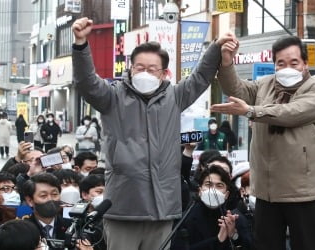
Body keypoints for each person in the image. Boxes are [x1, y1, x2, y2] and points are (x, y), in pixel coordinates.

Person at [71, 16, 235, 250]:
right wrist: (80, 45)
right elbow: (86, 82)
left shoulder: (176, 96)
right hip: (123, 207)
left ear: (163, 73)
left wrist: (215, 47)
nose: (145, 73)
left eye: (151, 69)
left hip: (162, 208)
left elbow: (200, 77)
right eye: (140, 67)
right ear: (131, 67)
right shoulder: (112, 96)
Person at [211, 35, 315, 250]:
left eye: (294, 62)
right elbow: (236, 90)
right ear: (274, 65)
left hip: (302, 191)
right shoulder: (266, 84)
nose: (287, 68)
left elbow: (290, 113)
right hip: (267, 189)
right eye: (281, 63)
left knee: (306, 245)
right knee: (266, 245)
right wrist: (227, 63)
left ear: (305, 64)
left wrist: (250, 111)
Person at [171, 165, 254, 250]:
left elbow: (247, 246)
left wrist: (234, 235)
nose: (213, 190)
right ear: (200, 191)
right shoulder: (184, 219)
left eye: (219, 186)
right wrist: (218, 240)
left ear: (226, 195)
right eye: (208, 184)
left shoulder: (234, 220)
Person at [23, 172, 72, 249]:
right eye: (43, 195)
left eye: (54, 194)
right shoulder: (23, 230)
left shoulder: (71, 225)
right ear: (30, 201)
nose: (50, 199)